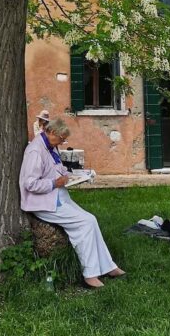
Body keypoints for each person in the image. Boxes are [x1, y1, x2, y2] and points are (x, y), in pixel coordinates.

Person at [19, 118, 125, 288]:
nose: (62, 142)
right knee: (85, 223)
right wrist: (54, 183)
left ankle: (108, 266)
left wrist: (75, 176)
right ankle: (90, 275)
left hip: (57, 196)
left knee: (91, 219)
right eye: (61, 138)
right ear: (52, 132)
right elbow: (30, 184)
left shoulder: (50, 146)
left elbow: (56, 169)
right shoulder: (35, 151)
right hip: (42, 202)